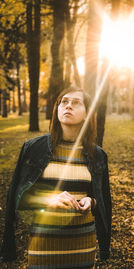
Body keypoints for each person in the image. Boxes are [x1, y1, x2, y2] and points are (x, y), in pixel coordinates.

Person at [0, 85, 112, 269]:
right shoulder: (33, 148)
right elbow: (17, 198)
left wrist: (91, 201)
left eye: (76, 103)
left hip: (82, 248)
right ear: (57, 109)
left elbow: (103, 199)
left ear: (87, 114)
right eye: (63, 102)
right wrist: (49, 199)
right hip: (43, 249)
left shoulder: (97, 155)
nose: (68, 106)